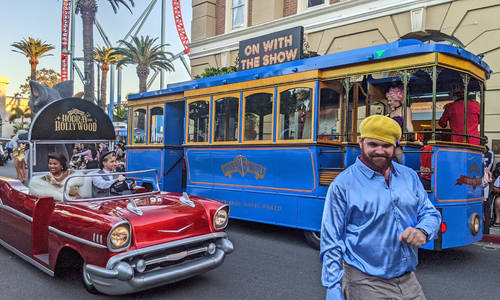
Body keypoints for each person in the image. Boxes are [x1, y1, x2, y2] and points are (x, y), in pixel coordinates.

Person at [320, 115, 441, 300]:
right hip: (365, 281)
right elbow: (331, 240)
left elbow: (430, 212)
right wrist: (333, 287)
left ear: (395, 146)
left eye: (386, 146)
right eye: (373, 144)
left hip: (408, 280)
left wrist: (423, 231)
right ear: (361, 142)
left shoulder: (409, 177)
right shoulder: (343, 184)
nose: (380, 151)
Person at [386, 85, 414, 163]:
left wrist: (412, 139)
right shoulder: (391, 113)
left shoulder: (405, 109)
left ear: (397, 99)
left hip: (398, 140)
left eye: (390, 100)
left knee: (397, 151)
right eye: (388, 100)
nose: (389, 103)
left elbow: (409, 125)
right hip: (389, 139)